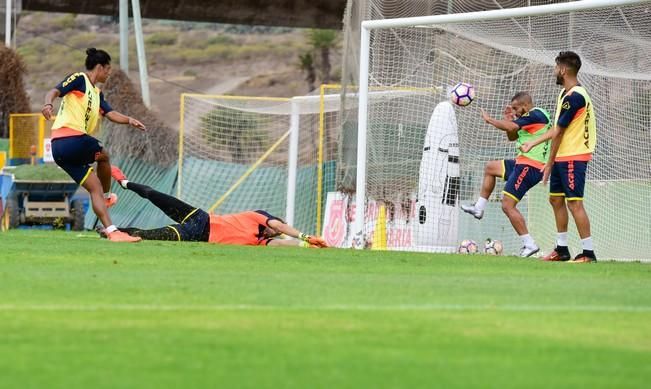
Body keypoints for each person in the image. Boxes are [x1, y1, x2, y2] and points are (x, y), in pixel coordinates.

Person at [42, 48, 146, 242]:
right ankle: (106, 198)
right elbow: (54, 91)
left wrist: (130, 119)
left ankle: (112, 232)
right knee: (104, 155)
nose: (108, 74)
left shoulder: (97, 94)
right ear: (99, 67)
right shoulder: (79, 79)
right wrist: (48, 104)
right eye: (108, 70)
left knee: (94, 187)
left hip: (61, 151)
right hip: (70, 139)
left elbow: (110, 113)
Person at [99, 166, 329, 248]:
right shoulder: (259, 216)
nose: (274, 231)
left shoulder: (261, 243)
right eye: (274, 229)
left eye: (275, 233)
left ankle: (111, 231)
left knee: (148, 235)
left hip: (198, 234)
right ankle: (123, 181)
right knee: (154, 195)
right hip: (201, 217)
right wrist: (305, 236)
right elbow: (280, 226)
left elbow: (281, 244)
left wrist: (305, 246)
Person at [520, 51, 597, 263]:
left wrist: (547, 160)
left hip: (573, 156)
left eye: (556, 68)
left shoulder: (575, 97)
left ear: (563, 70)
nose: (554, 71)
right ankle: (561, 250)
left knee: (574, 203)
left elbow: (558, 132)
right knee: (555, 199)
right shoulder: (566, 93)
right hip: (564, 156)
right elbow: (557, 129)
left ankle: (588, 253)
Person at [461, 92, 551, 257]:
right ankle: (478, 208)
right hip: (522, 163)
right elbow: (512, 135)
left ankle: (529, 244)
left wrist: (490, 121)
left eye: (516, 108)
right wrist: (510, 120)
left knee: (507, 205)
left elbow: (511, 128)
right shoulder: (529, 118)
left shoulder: (535, 114)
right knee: (490, 168)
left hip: (530, 167)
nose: (515, 111)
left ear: (525, 106)